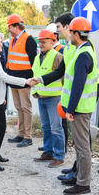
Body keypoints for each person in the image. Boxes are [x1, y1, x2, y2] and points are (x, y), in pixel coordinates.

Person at [0, 34, 36, 171]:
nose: (0, 44)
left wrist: (2, 97)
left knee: (1, 128)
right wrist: (25, 81)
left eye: (0, 42)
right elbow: (4, 77)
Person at [61, 17, 99, 194]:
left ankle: (83, 184)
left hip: (80, 109)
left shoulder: (83, 54)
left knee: (83, 147)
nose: (69, 35)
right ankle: (79, 177)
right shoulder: (84, 50)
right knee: (80, 145)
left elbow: (78, 85)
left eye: (71, 32)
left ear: (77, 34)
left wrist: (70, 109)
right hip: (81, 107)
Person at [32, 29, 65, 168]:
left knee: (56, 128)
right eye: (39, 41)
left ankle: (59, 156)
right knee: (45, 127)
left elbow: (59, 75)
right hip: (41, 97)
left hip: (54, 98)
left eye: (44, 41)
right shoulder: (37, 56)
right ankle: (48, 151)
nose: (41, 44)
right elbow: (36, 74)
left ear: (52, 41)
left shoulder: (57, 56)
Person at [6, 14, 37, 147]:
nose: (8, 29)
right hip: (14, 79)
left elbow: (33, 61)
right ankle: (21, 134)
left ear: (17, 26)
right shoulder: (13, 39)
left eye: (10, 26)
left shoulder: (28, 39)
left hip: (24, 80)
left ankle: (28, 137)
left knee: (25, 107)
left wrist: (30, 79)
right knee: (19, 107)